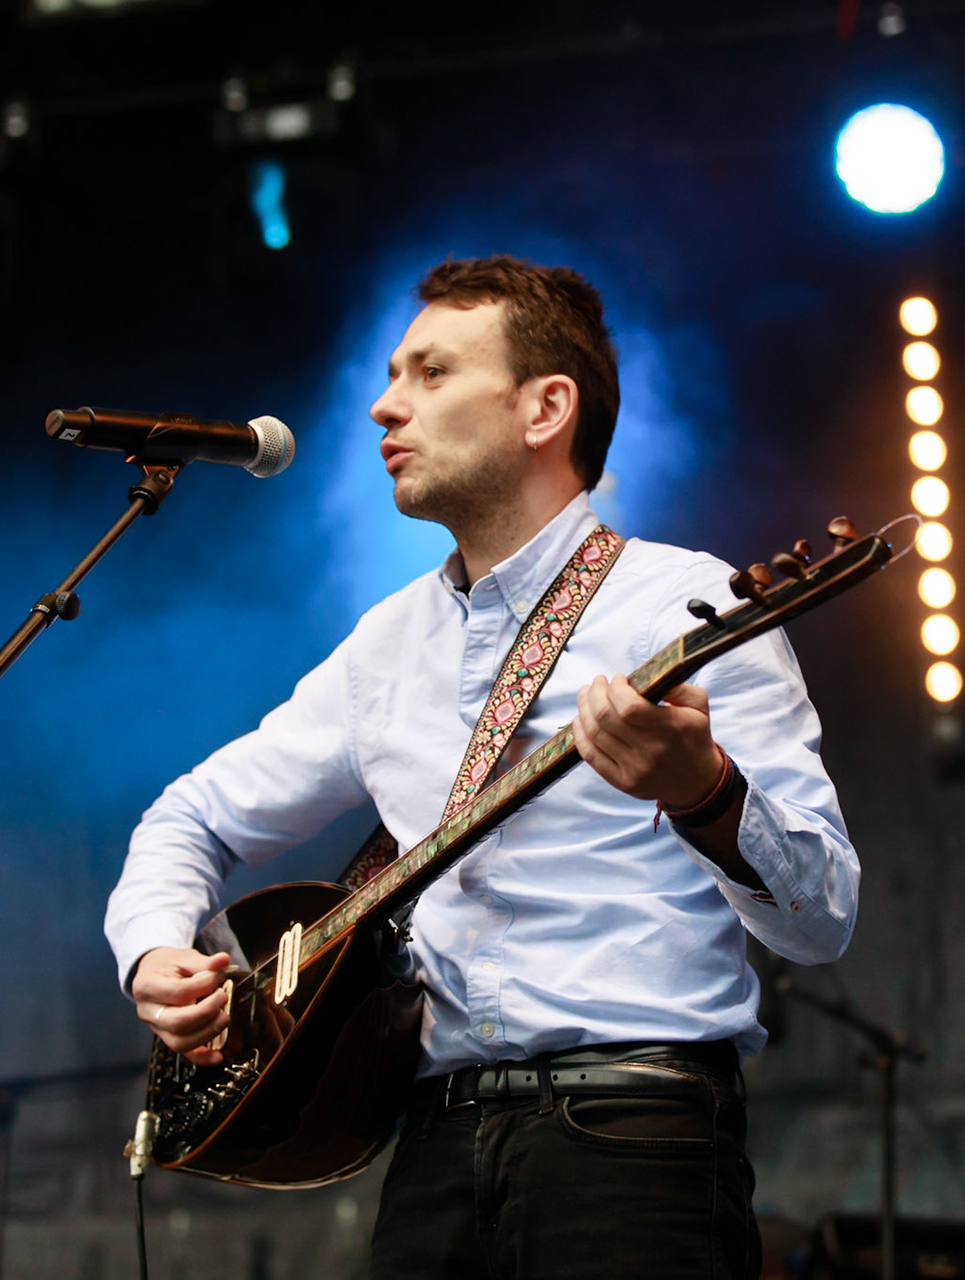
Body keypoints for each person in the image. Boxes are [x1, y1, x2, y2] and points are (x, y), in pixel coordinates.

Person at [105, 255, 859, 1279]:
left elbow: (822, 914)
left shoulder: (685, 602)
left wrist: (704, 790)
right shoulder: (388, 644)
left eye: (431, 372)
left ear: (546, 406)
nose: (383, 405)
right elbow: (190, 816)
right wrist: (153, 950)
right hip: (433, 1144)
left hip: (632, 1130)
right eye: (391, 374)